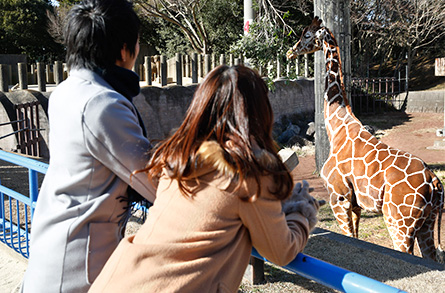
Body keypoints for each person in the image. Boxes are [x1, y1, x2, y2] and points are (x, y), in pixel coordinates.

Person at [89, 65, 321, 293]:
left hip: (119, 280)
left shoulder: (178, 159)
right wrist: (301, 211)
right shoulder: (246, 173)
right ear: (260, 113)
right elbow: (281, 251)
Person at [21, 0, 156, 292]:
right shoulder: (102, 104)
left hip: (53, 249)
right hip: (78, 268)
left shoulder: (67, 91)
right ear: (124, 49)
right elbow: (155, 181)